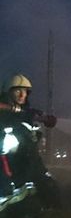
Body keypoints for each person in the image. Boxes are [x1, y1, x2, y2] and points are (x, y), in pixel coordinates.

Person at [0, 73, 59, 209]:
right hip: (9, 171)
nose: (22, 95)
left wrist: (47, 119)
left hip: (32, 167)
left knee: (52, 191)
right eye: (18, 91)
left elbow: (43, 120)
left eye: (25, 91)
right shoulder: (3, 115)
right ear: (8, 93)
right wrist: (13, 109)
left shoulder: (28, 113)